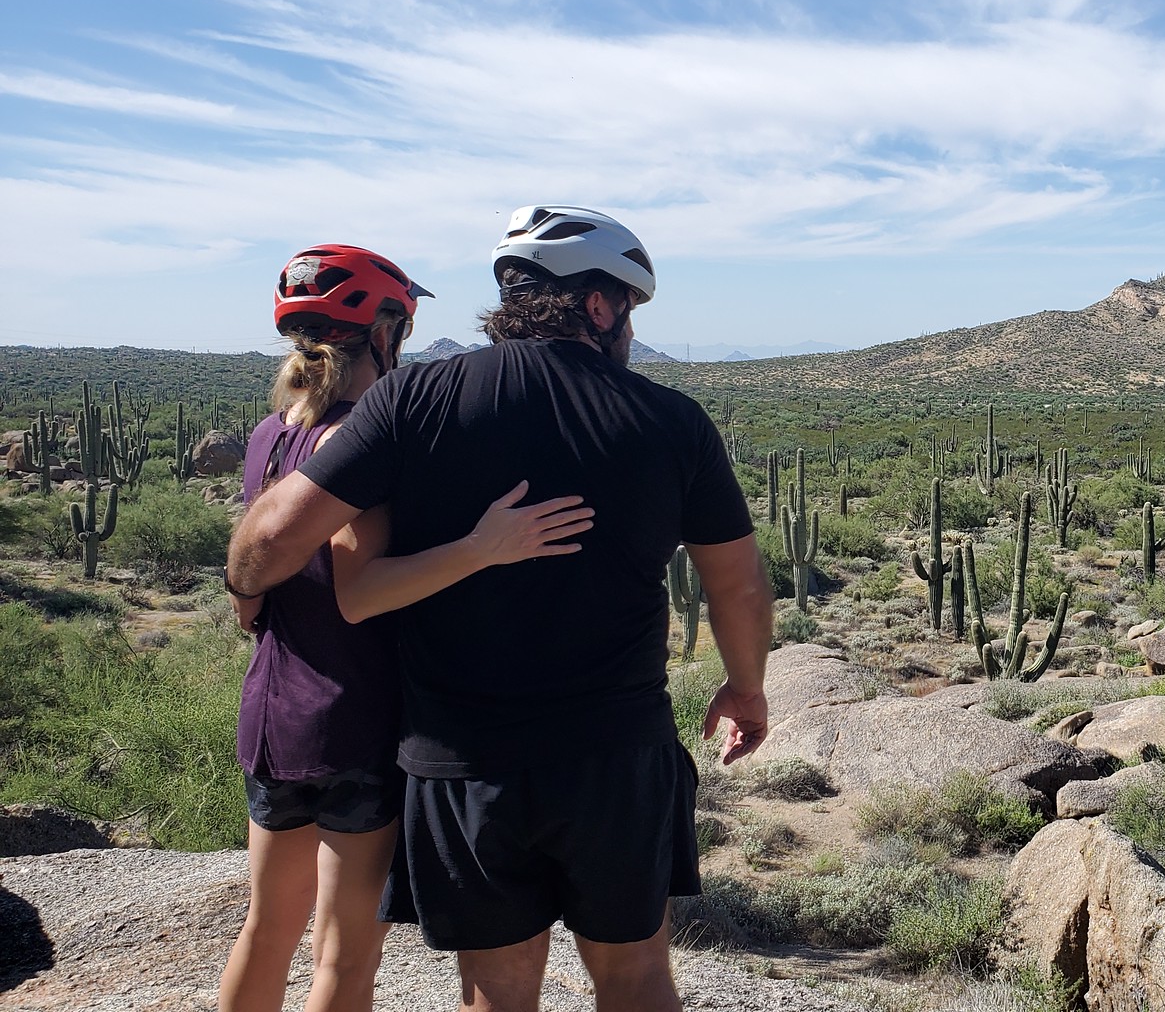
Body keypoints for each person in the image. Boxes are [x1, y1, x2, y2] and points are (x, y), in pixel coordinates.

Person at [226, 208, 774, 1012]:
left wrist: (248, 594)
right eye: (629, 309)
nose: (629, 328)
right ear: (598, 306)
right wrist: (746, 688)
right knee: (636, 975)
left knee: (496, 988)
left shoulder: (413, 397)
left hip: (462, 762)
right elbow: (737, 586)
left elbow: (267, 544)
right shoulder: (671, 420)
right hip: (616, 754)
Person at [222, 244, 595, 1012]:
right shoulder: (368, 440)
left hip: (271, 715)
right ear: (385, 329)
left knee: (265, 929)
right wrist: (480, 549)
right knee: (343, 959)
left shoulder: (272, 434)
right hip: (355, 718)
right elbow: (362, 593)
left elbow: (252, 585)